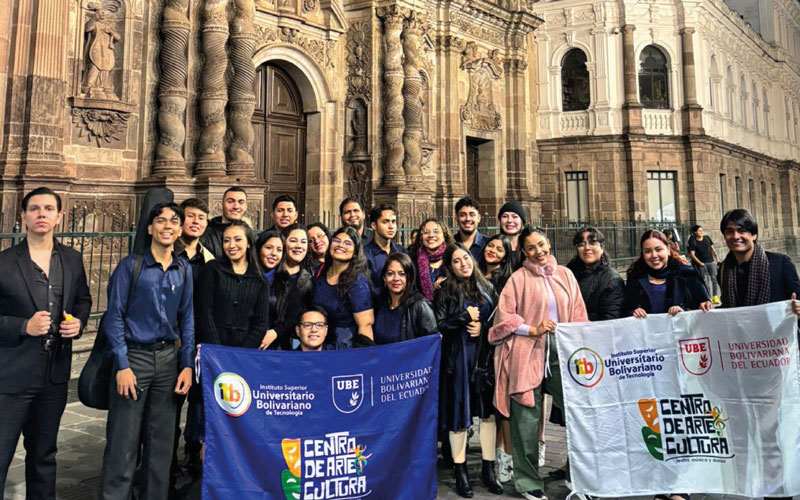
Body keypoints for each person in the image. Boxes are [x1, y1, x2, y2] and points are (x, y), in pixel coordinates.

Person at [0, 187, 92, 499]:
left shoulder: (72, 259)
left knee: (44, 456)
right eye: (35, 208)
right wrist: (23, 325)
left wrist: (78, 323)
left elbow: (83, 300)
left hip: (54, 376)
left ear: (59, 216)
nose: (42, 214)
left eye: (49, 209)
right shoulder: (4, 262)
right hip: (12, 376)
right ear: (23, 216)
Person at [99, 202, 194, 500]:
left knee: (161, 442)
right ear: (150, 227)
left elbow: (187, 318)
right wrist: (122, 364)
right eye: (161, 220)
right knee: (123, 443)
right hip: (134, 359)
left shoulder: (183, 268)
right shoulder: (131, 266)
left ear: (179, 230)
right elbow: (114, 316)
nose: (168, 225)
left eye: (174, 221)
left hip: (168, 360)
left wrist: (187, 364)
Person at [489, 226, 588, 500]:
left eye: (541, 244)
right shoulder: (518, 279)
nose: (538, 251)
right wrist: (531, 329)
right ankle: (528, 481)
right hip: (526, 350)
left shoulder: (566, 275)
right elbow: (504, 318)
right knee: (525, 421)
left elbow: (579, 314)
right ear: (524, 252)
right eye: (531, 248)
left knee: (578, 412)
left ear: (549, 243)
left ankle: (579, 475)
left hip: (563, 351)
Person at [717, 209, 800, 500]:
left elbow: (797, 300)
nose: (735, 236)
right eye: (729, 231)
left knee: (771, 428)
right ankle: (755, 482)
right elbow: (730, 312)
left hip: (775, 361)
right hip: (742, 361)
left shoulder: (779, 264)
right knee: (746, 427)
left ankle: (779, 491)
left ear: (753, 234)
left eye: (742, 231)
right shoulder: (724, 269)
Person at [435, 244, 501, 497]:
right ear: (449, 267)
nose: (463, 264)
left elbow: (496, 319)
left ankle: (488, 468)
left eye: (465, 258)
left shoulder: (487, 287)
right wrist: (463, 317)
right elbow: (438, 324)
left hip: (482, 358)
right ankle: (460, 471)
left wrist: (483, 328)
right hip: (458, 359)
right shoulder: (445, 291)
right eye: (456, 261)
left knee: (487, 415)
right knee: (458, 416)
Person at [173, 198, 214, 484]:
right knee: (169, 406)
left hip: (198, 340)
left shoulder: (209, 258)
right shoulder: (168, 253)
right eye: (191, 216)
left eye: (201, 217)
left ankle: (192, 452)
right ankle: (165, 462)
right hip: (171, 340)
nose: (196, 222)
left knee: (199, 402)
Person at [475, 234, 515, 483]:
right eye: (490, 246)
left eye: (499, 249)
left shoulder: (507, 279)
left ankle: (506, 457)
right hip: (478, 349)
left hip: (497, 346)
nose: (492, 251)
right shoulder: (476, 275)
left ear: (506, 255)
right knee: (488, 409)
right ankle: (491, 455)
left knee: (502, 407)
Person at [623, 229, 713, 319]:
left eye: (658, 249)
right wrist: (633, 312)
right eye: (647, 251)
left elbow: (703, 310)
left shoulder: (688, 275)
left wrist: (684, 312)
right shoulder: (635, 278)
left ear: (668, 250)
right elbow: (625, 310)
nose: (654, 255)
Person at [312, 227, 374, 349]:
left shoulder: (358, 283)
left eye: (347, 243)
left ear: (355, 252)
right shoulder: (319, 272)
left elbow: (365, 325)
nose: (340, 245)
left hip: (344, 348)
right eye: (336, 240)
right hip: (317, 345)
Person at [372, 253, 437, 345]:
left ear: (408, 278)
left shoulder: (420, 305)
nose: (396, 278)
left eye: (401, 274)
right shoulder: (377, 303)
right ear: (384, 278)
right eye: (390, 274)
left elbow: (431, 346)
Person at [565, 227, 625, 322]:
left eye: (592, 243)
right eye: (581, 244)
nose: (587, 248)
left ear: (602, 248)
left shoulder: (612, 280)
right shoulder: (569, 273)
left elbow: (611, 318)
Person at [363, 204, 407, 294]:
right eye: (385, 222)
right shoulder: (364, 255)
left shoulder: (402, 252)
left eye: (393, 221)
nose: (391, 226)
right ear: (374, 225)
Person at [410, 218, 453, 302]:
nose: (431, 235)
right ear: (421, 238)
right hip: (423, 312)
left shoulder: (453, 257)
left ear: (444, 236)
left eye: (436, 231)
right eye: (426, 232)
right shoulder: (412, 260)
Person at [200, 186, 248, 259]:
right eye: (230, 201)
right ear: (222, 204)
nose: (236, 206)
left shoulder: (251, 234)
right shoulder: (205, 234)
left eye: (241, 202)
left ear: (246, 206)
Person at [687, 224, 721, 304]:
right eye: (699, 230)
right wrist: (700, 263)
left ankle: (715, 296)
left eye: (702, 230)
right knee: (705, 280)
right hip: (701, 263)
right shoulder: (693, 241)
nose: (701, 232)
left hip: (711, 261)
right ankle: (708, 297)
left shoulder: (707, 238)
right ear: (695, 232)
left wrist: (717, 257)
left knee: (714, 279)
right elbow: (692, 254)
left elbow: (712, 248)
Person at [453, 197, 489, 262]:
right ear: (456, 218)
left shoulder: (488, 244)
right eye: (462, 215)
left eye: (472, 215)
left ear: (478, 218)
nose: (468, 219)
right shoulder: (450, 243)